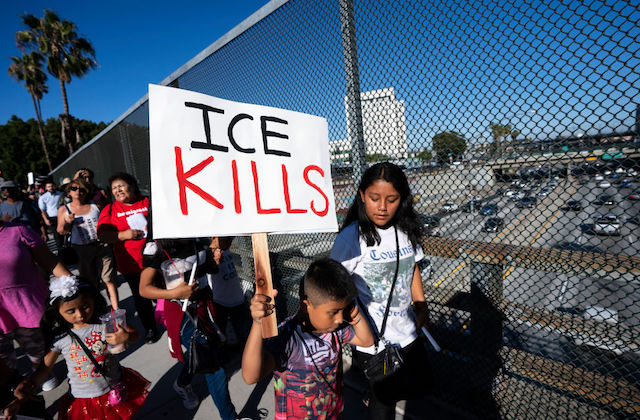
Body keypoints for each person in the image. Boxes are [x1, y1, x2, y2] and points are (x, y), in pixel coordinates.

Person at [330, 161, 431, 420]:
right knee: (383, 405)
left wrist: (421, 305)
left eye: (392, 199)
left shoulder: (406, 231)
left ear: (403, 199)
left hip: (408, 329)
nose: (383, 207)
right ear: (362, 195)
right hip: (372, 340)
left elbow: (413, 268)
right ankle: (374, 393)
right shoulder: (351, 237)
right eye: (374, 198)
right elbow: (335, 284)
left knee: (417, 383)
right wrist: (353, 324)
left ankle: (372, 391)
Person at [242, 258, 374, 419]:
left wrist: (355, 313)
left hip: (333, 413)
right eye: (333, 312)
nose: (340, 319)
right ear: (306, 306)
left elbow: (367, 341)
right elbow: (250, 376)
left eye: (343, 310)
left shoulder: (334, 329)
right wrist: (257, 324)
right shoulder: (287, 336)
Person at [14, 276, 149, 420]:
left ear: (93, 300)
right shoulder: (61, 338)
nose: (80, 314)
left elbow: (135, 335)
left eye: (85, 307)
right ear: (57, 312)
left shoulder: (106, 322)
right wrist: (30, 384)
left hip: (115, 387)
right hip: (84, 398)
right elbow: (45, 369)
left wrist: (126, 336)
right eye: (71, 311)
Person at [139, 237, 239, 418]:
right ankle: (230, 416)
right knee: (214, 367)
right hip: (181, 314)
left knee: (199, 353)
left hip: (207, 308)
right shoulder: (156, 247)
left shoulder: (199, 239)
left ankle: (182, 382)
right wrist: (174, 293)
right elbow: (144, 289)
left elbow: (207, 268)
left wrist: (214, 260)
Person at [0, 219, 72, 392]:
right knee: (4, 364)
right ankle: (13, 391)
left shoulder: (18, 231)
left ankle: (41, 372)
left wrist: (75, 288)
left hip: (26, 306)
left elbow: (51, 262)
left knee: (37, 350)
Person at [97, 172, 159, 344]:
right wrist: (122, 235)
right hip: (130, 263)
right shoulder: (109, 210)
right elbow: (102, 235)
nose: (118, 190)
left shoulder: (148, 202)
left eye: (121, 186)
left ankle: (172, 320)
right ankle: (151, 328)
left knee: (161, 292)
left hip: (156, 258)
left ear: (132, 186)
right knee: (141, 298)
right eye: (114, 188)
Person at [57, 178, 119, 309]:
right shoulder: (64, 209)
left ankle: (117, 310)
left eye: (82, 189)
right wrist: (68, 222)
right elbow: (61, 231)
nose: (78, 191)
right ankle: (98, 309)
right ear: (69, 192)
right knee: (91, 283)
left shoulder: (95, 205)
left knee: (109, 280)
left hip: (102, 246)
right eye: (74, 189)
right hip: (81, 250)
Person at [210, 236, 250, 347]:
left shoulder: (225, 248)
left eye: (230, 240)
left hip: (237, 297)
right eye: (226, 240)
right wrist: (215, 262)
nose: (230, 242)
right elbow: (209, 269)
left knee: (243, 330)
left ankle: (245, 350)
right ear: (214, 237)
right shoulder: (209, 254)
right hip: (220, 300)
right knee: (221, 332)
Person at [38, 181, 64, 251]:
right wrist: (46, 220)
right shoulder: (43, 197)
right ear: (46, 188)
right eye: (49, 186)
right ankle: (60, 251)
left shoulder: (61, 194)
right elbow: (42, 210)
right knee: (57, 235)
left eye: (52, 186)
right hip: (52, 218)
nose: (51, 188)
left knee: (64, 233)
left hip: (62, 216)